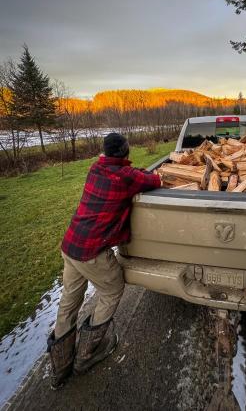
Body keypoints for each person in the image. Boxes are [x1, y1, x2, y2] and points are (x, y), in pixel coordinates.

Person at [47, 133, 161, 389]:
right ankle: (87, 355)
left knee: (69, 300)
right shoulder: (126, 177)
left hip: (71, 245)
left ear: (104, 152)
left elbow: (130, 174)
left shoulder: (96, 168)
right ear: (125, 151)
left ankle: (60, 368)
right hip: (91, 252)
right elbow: (154, 179)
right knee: (113, 289)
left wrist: (132, 169)